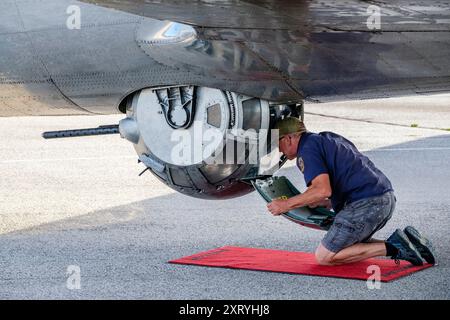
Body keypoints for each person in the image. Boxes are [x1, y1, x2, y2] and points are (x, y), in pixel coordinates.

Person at [267, 117, 435, 266]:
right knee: (348, 242)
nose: (279, 150)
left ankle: (394, 248)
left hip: (367, 203)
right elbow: (347, 175)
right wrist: (329, 202)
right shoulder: (327, 138)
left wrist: (285, 205)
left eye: (278, 143)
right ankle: (412, 243)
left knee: (324, 256)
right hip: (385, 197)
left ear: (289, 138)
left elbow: (322, 189)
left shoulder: (307, 150)